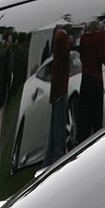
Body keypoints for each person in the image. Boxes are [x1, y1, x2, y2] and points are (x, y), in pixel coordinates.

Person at [43, 22, 73, 167]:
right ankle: (57, 158)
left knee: (55, 125)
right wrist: (70, 43)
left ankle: (49, 159)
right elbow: (65, 53)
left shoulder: (59, 36)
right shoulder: (62, 37)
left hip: (58, 87)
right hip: (60, 87)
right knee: (59, 124)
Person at [77, 20, 105, 143]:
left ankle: (81, 142)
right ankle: (96, 142)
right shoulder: (101, 37)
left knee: (84, 114)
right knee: (97, 115)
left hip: (85, 79)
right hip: (96, 79)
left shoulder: (83, 38)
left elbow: (81, 56)